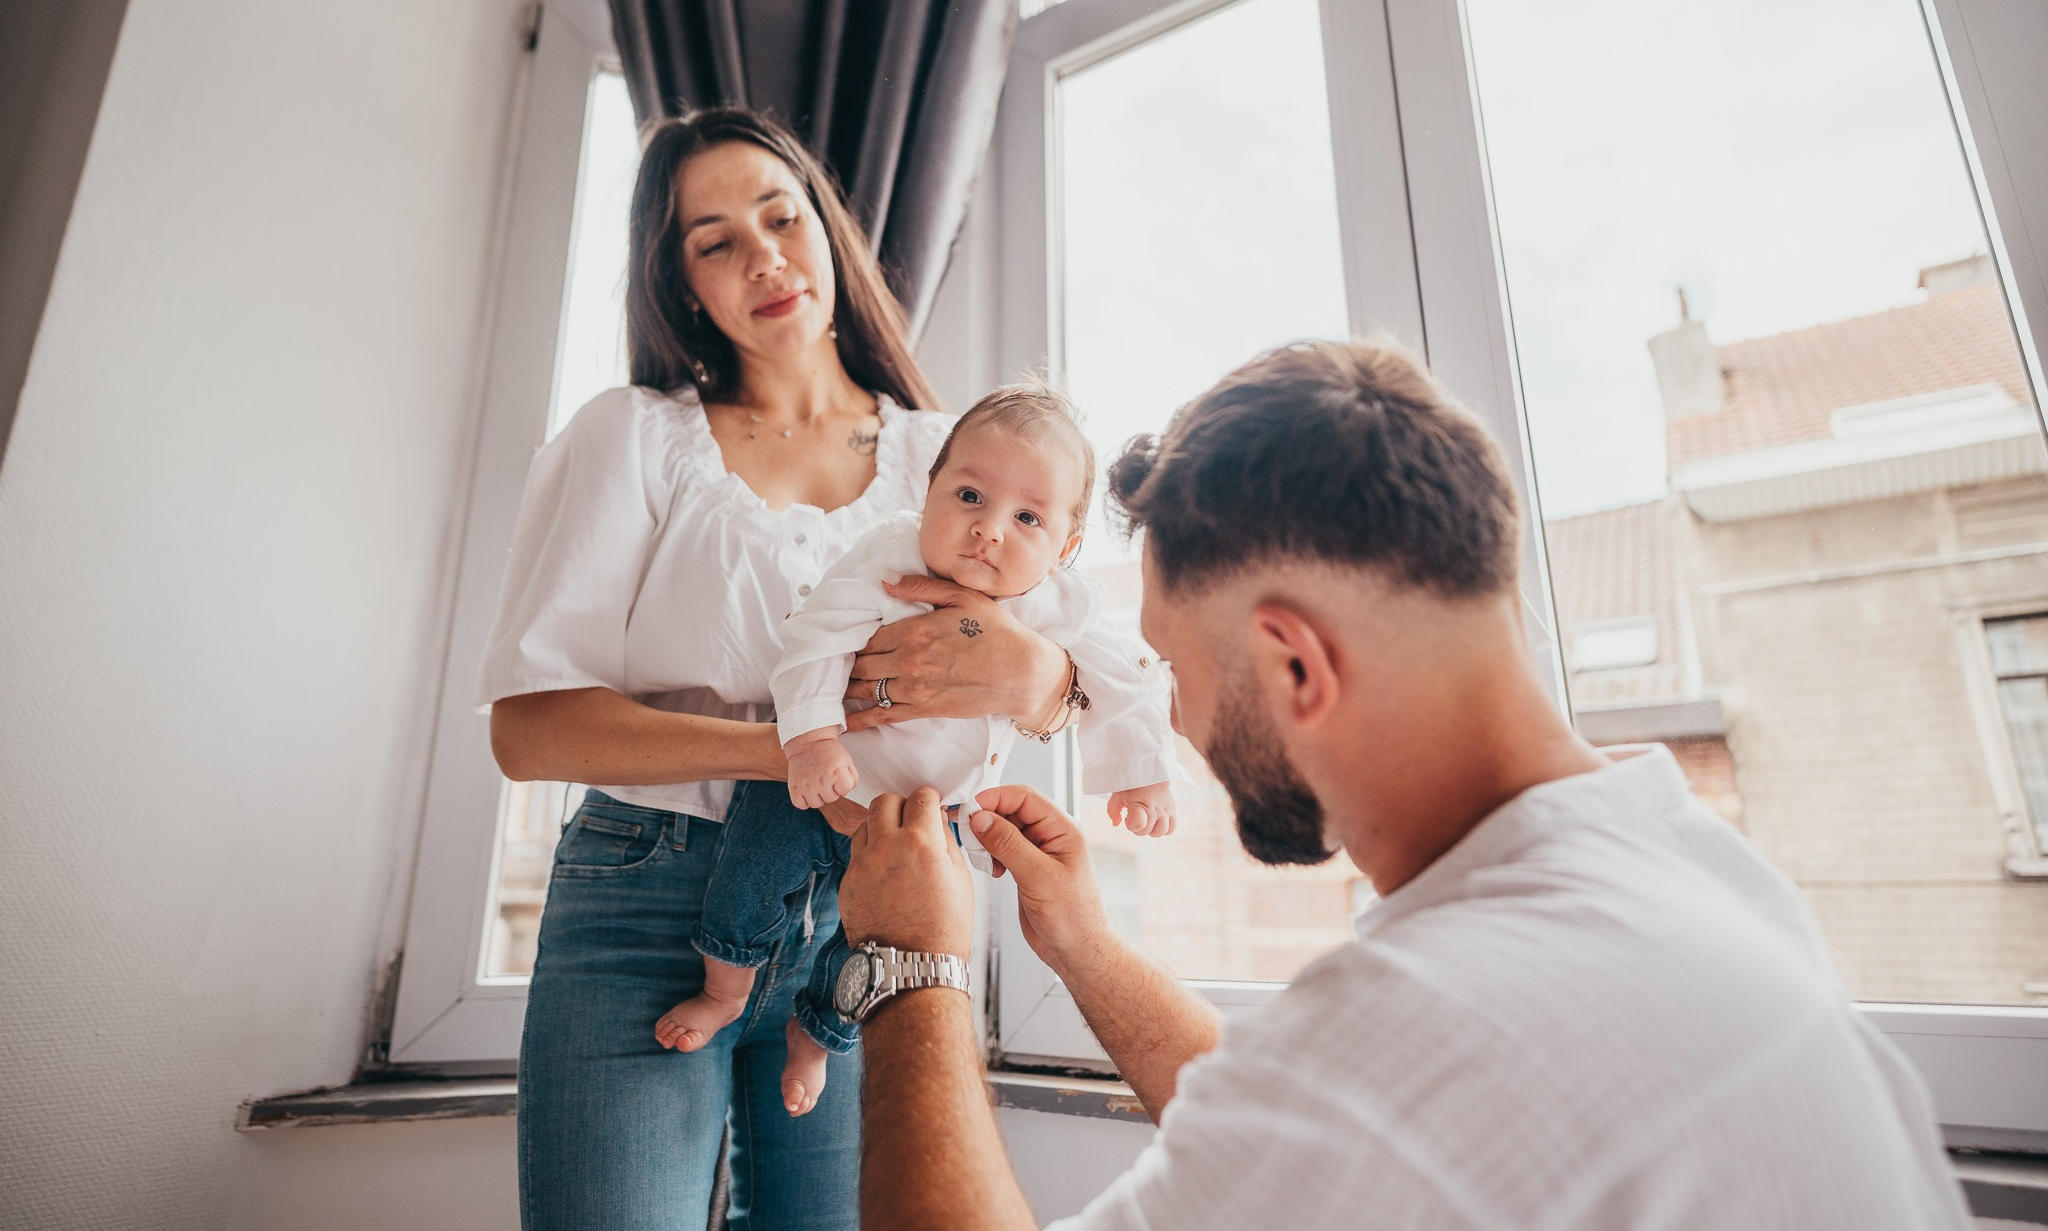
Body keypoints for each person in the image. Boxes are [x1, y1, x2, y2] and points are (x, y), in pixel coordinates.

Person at [836, 339, 1974, 1230]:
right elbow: (1315, 1132)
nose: (1171, 721)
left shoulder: (1444, 1016)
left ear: (1293, 664)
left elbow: (1379, 1083)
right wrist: (1083, 941)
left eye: (1173, 672)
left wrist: (911, 963)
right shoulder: (1682, 860)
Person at [476, 106, 1085, 1231]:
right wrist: (798, 749)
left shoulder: (950, 459)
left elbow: (1069, 667)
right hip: (647, 898)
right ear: (680, 282)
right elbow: (530, 730)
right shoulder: (631, 437)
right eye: (714, 241)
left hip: (885, 893)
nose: (762, 257)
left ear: (826, 231)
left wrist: (1042, 674)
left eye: (778, 215)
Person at [654, 383, 1185, 1117]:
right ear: (930, 489)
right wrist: (809, 742)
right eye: (969, 495)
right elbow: (816, 635)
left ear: (1064, 549)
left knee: (871, 947)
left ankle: (819, 1035)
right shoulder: (888, 555)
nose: (988, 529)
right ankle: (722, 990)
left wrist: (1143, 774)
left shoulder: (1055, 603)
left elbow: (1121, 677)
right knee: (748, 877)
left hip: (921, 822)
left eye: (1026, 516)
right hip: (817, 779)